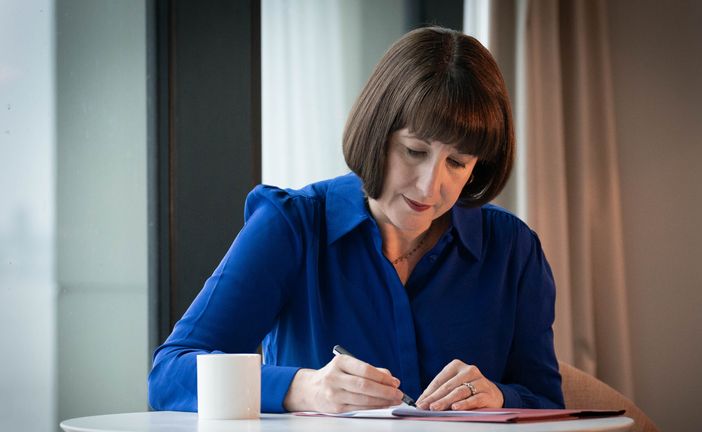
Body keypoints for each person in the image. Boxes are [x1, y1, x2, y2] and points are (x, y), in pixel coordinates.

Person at [148, 26, 563, 414]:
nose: (429, 187)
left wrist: (499, 396)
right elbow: (170, 374)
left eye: (457, 162)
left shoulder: (513, 250)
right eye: (414, 151)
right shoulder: (292, 226)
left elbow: (546, 401)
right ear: (377, 132)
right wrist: (302, 389)